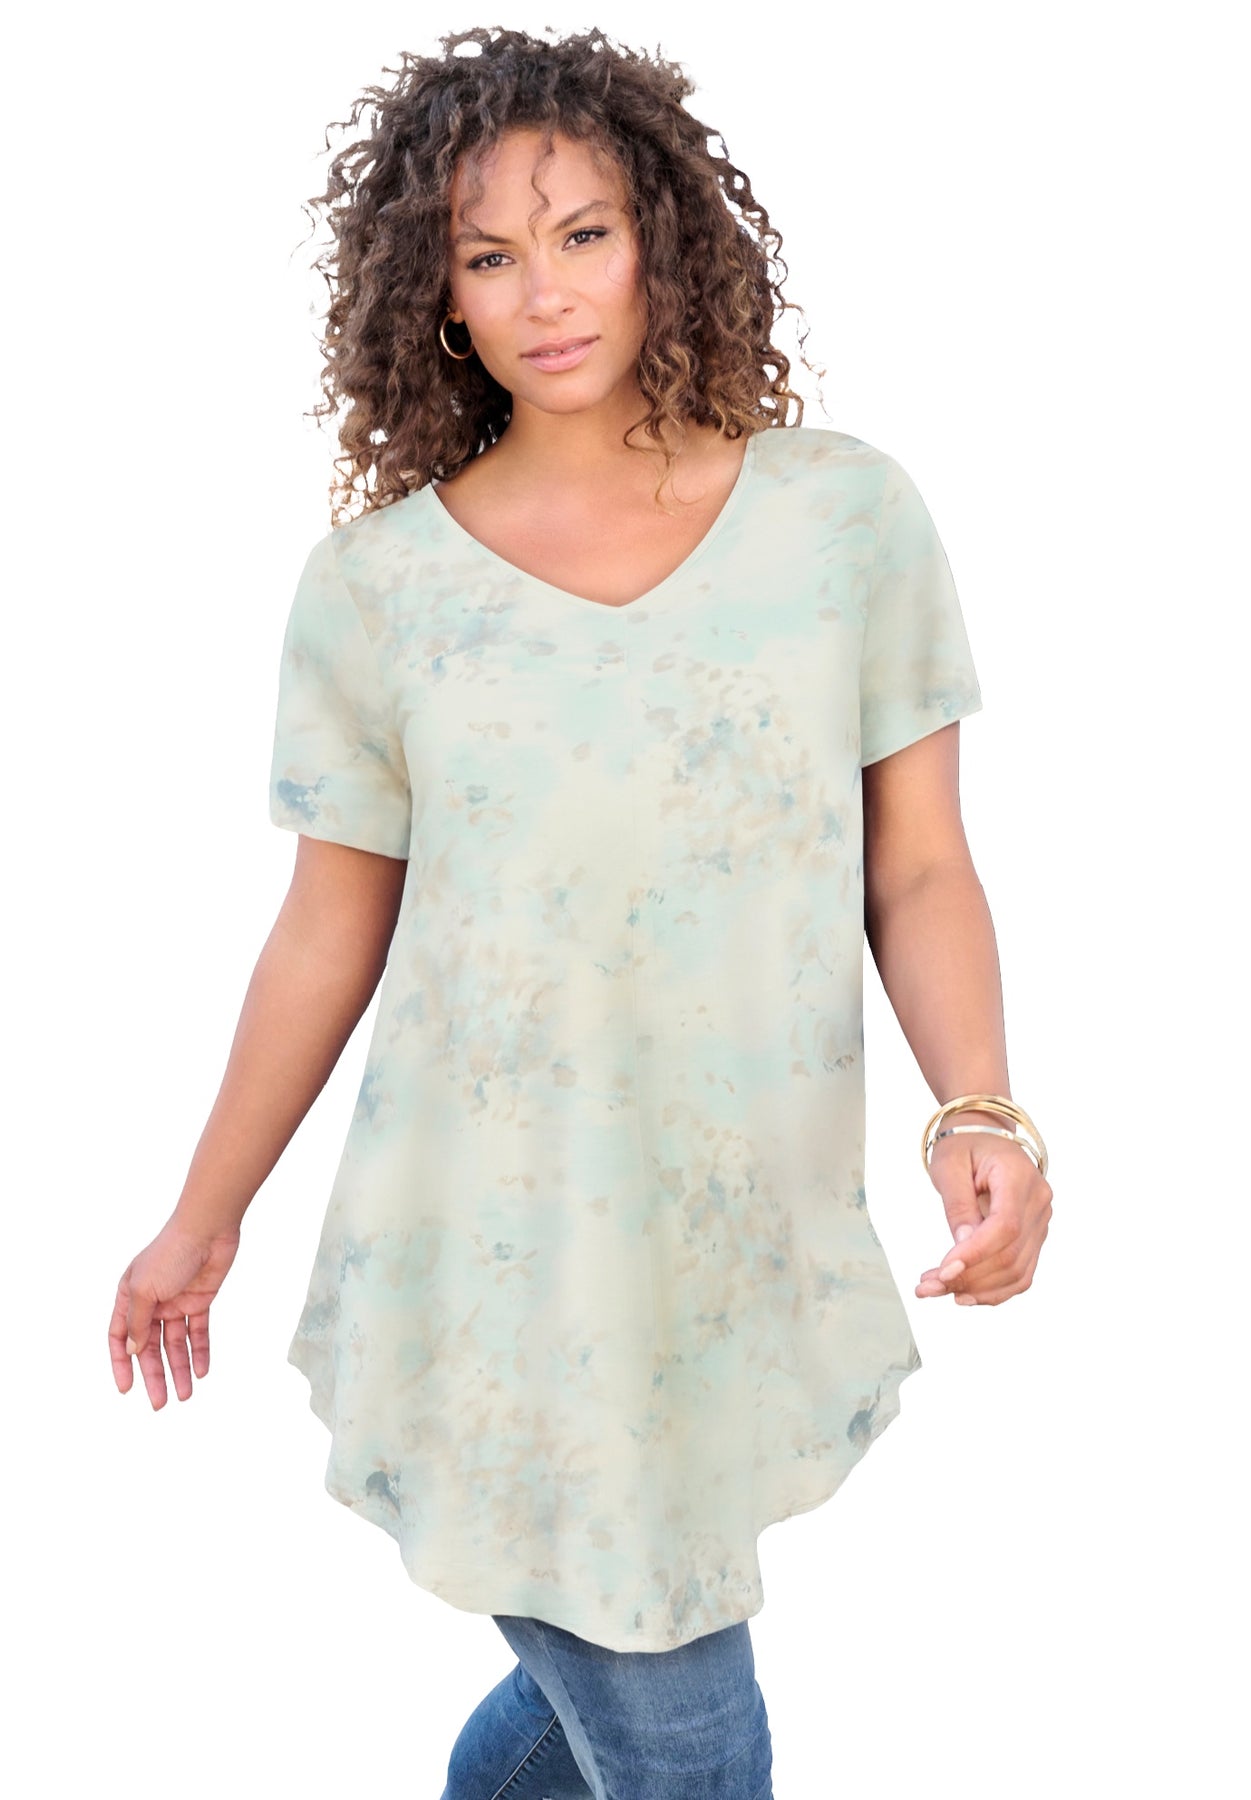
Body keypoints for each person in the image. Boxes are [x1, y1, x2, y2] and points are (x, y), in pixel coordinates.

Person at [107, 25, 1054, 1800]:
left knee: (595, 1697)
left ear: (664, 237)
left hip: (727, 1238)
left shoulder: (844, 520)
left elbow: (916, 862)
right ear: (435, 295)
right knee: (686, 1741)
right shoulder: (379, 592)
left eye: (584, 234)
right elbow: (326, 931)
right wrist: (202, 1213)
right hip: (492, 1255)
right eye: (488, 256)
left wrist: (980, 1108)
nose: (543, 293)